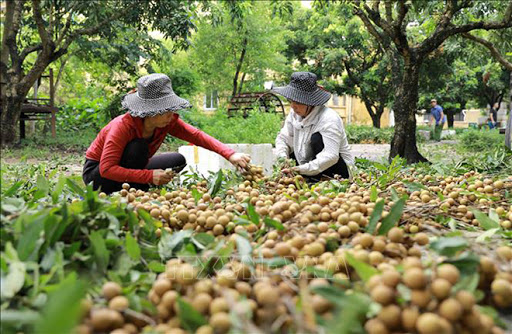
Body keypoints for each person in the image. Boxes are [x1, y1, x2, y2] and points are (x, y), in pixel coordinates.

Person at [83, 73, 250, 194]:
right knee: (138, 147)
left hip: (129, 166)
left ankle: (134, 186)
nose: (171, 114)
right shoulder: (122, 126)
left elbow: (197, 136)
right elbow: (107, 169)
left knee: (177, 160)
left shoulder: (167, 122)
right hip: (98, 176)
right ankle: (131, 189)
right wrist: (148, 176)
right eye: (165, 110)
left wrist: (231, 155)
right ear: (149, 111)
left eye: (171, 109)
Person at [272, 72, 354, 180]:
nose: (293, 106)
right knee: (290, 146)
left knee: (316, 138)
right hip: (307, 166)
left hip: (337, 170)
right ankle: (307, 178)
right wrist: (283, 159)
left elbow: (331, 156)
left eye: (297, 102)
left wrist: (301, 169)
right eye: (291, 101)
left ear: (310, 102)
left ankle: (321, 180)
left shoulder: (329, 118)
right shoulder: (294, 115)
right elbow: (283, 138)